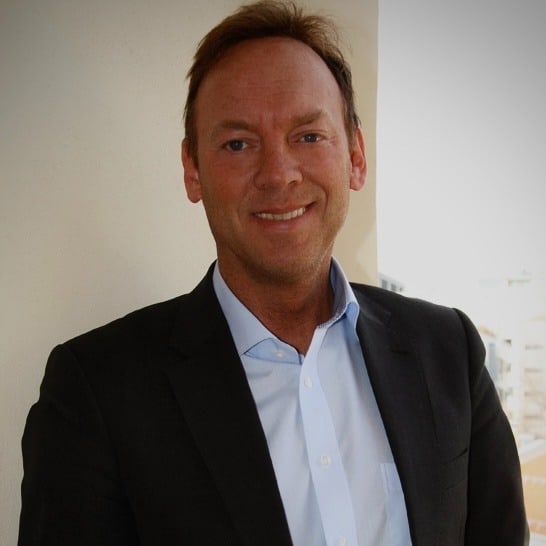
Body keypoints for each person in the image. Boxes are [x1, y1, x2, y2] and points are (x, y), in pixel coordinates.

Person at [18, 1, 528, 545]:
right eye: (238, 144)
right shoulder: (97, 392)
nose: (279, 174)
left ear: (356, 155)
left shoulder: (448, 353)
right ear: (193, 170)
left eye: (308, 136)